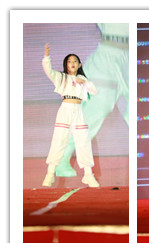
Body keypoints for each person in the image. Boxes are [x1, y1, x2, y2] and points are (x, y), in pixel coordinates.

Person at [55, 23, 129, 178]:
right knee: (96, 111)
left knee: (137, 112)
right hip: (108, 57)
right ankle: (62, 157)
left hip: (133, 55)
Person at [42, 44, 99, 188]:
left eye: (75, 61)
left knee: (83, 141)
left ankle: (88, 175)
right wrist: (47, 57)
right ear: (66, 65)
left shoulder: (82, 79)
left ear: (79, 64)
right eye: (69, 61)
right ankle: (50, 174)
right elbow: (48, 71)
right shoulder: (61, 77)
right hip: (65, 110)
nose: (72, 63)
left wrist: (84, 82)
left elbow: (94, 91)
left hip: (78, 111)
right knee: (59, 140)